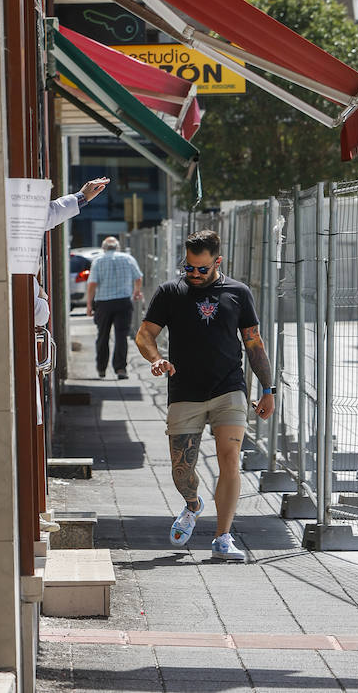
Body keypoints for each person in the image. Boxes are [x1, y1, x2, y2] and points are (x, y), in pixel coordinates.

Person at [135, 229, 275, 562]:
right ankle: (193, 504)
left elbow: (254, 344)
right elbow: (145, 334)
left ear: (218, 262)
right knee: (182, 470)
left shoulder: (238, 293)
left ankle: (222, 538)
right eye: (189, 268)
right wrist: (156, 359)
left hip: (229, 389)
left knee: (230, 460)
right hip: (184, 391)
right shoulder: (170, 292)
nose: (194, 275)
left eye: (202, 268)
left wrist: (268, 389)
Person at [86, 236, 143, 379]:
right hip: (123, 302)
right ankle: (120, 369)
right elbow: (138, 277)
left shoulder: (98, 261)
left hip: (103, 304)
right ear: (117, 247)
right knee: (121, 336)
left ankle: (101, 368)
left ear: (104, 248)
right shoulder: (128, 258)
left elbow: (92, 284)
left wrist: (89, 304)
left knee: (103, 335)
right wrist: (136, 292)